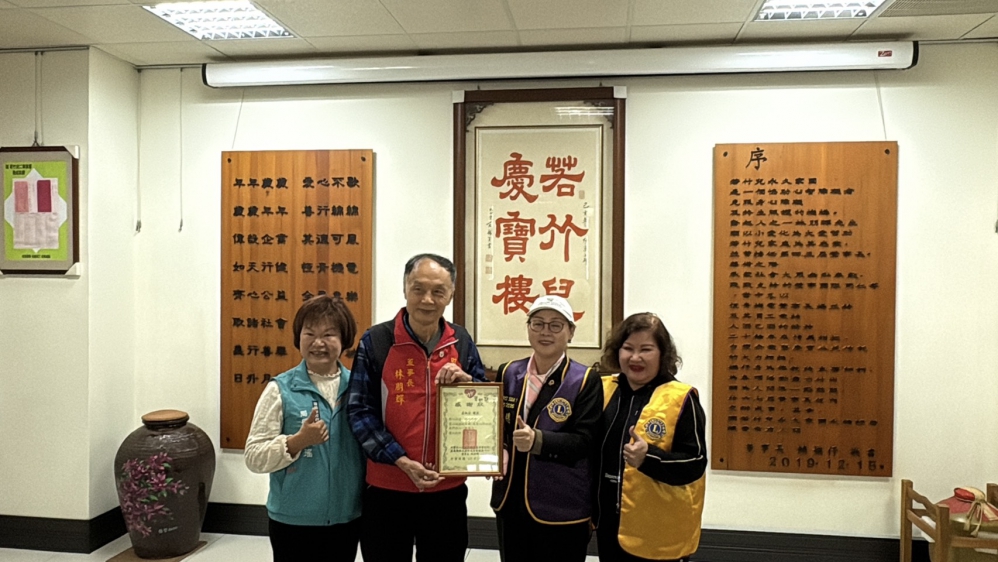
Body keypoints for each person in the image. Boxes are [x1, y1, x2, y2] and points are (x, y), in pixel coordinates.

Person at [346, 253, 487, 562]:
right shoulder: (376, 341)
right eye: (418, 289)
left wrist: (468, 385)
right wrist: (401, 460)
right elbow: (359, 411)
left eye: (438, 291)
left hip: (446, 488)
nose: (427, 299)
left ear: (451, 294)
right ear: (405, 288)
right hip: (387, 486)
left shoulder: (461, 341)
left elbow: (483, 404)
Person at [244, 295, 365, 562]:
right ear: (298, 338)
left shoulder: (359, 387)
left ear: (344, 339)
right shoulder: (280, 389)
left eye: (328, 334)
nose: (318, 343)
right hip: (293, 520)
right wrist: (297, 441)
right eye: (309, 333)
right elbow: (254, 456)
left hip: (346, 517)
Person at [491, 295, 603, 562]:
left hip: (560, 505)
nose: (545, 332)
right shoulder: (509, 372)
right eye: (538, 323)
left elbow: (585, 442)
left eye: (555, 325)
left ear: (571, 332)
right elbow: (496, 427)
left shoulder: (584, 379)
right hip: (511, 501)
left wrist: (538, 440)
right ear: (528, 328)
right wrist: (496, 450)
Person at [594, 313, 707, 562]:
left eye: (646, 349)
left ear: (662, 354)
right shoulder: (603, 390)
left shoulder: (681, 398)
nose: (635, 358)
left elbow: (696, 462)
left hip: (660, 533)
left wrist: (649, 458)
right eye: (628, 348)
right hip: (609, 525)